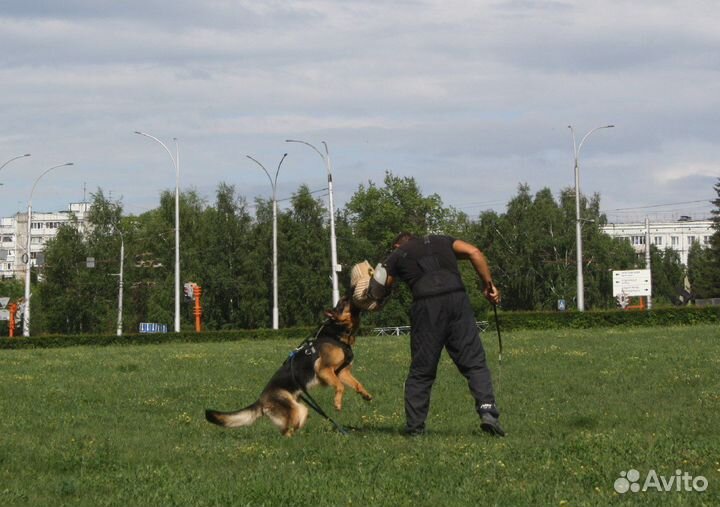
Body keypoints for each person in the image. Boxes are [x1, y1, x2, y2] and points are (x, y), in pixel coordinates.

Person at [378, 232, 504, 437]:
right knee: (474, 362)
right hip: (457, 299)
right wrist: (488, 285)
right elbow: (474, 251)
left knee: (422, 371)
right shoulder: (441, 240)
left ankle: (415, 429)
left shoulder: (397, 254)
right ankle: (488, 412)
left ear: (396, 245)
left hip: (426, 305)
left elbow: (381, 287)